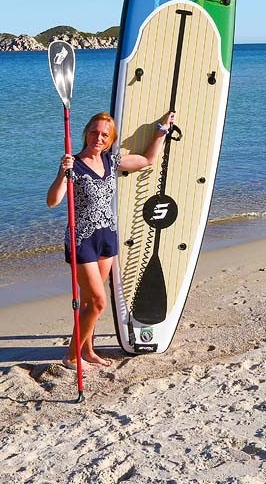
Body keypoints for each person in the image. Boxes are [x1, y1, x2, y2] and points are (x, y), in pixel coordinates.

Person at [46, 109, 176, 369]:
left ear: (111, 139)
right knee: (98, 302)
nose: (99, 138)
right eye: (94, 132)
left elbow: (148, 160)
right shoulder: (73, 164)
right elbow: (52, 201)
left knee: (88, 303)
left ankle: (88, 351)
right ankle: (71, 356)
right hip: (82, 240)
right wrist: (62, 172)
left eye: (105, 135)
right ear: (86, 133)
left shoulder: (111, 161)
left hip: (107, 237)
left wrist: (162, 130)